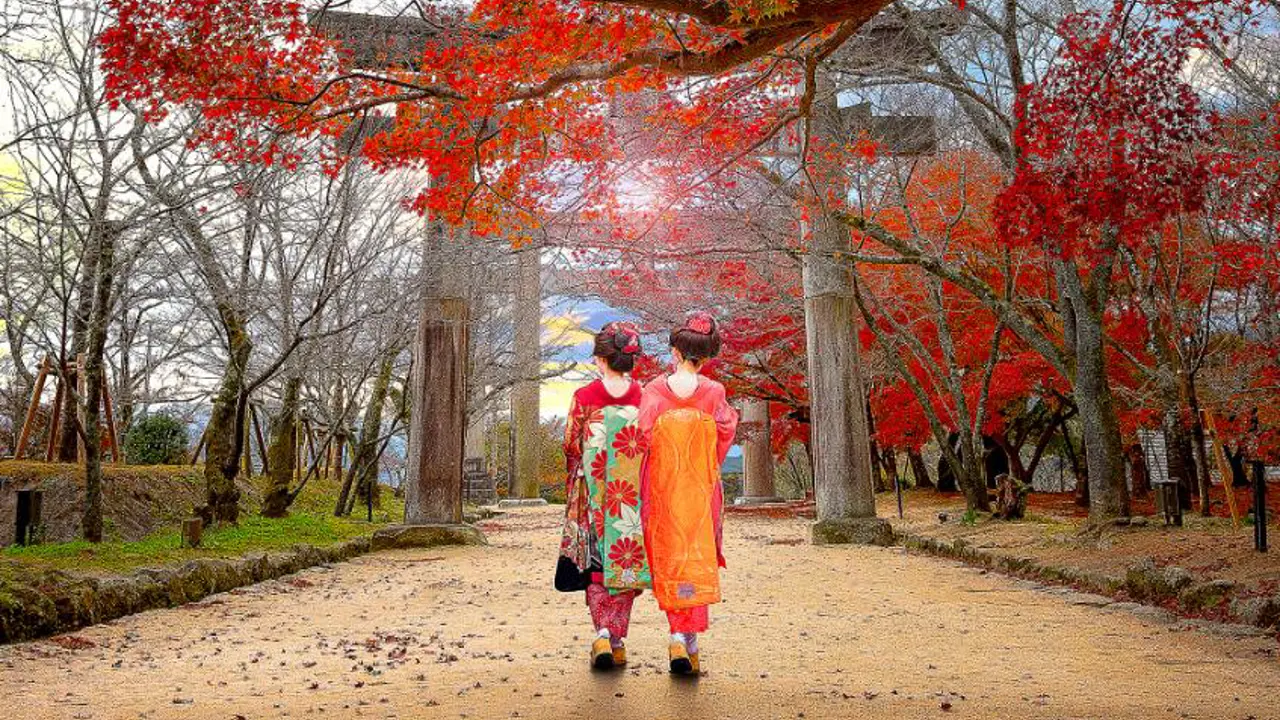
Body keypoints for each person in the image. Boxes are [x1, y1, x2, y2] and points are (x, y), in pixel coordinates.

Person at [639, 312, 739, 676]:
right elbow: (725, 432)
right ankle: (687, 639)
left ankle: (679, 635)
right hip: (698, 490)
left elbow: (643, 437)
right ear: (707, 356)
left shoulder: (653, 391)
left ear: (674, 351)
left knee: (669, 554)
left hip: (662, 488)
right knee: (696, 553)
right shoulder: (714, 392)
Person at [556, 321, 650, 670]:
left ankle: (601, 634)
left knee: (596, 565)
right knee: (625, 562)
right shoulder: (644, 397)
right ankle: (619, 639)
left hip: (593, 493)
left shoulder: (584, 397)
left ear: (601, 359)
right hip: (631, 495)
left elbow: (569, 444)